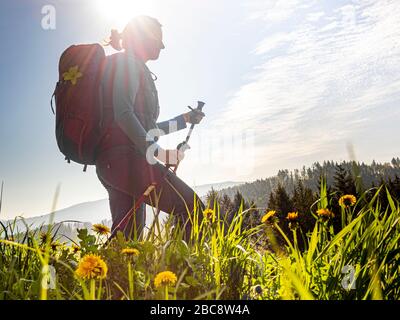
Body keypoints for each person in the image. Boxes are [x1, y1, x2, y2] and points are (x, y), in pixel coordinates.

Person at [96, 16, 206, 240]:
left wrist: (184, 119)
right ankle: (182, 271)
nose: (162, 46)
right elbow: (124, 114)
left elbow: (149, 128)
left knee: (128, 239)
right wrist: (158, 152)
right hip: (126, 160)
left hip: (112, 164)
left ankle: (104, 275)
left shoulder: (131, 67)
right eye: (159, 40)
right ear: (144, 38)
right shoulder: (128, 64)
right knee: (194, 210)